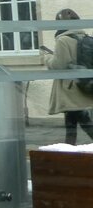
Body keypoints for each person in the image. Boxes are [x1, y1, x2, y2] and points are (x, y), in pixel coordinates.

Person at [43, 8, 93, 144]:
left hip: (70, 89)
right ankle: (68, 148)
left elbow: (58, 65)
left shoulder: (63, 40)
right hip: (82, 86)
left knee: (84, 121)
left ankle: (68, 148)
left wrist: (47, 57)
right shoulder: (86, 38)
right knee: (71, 123)